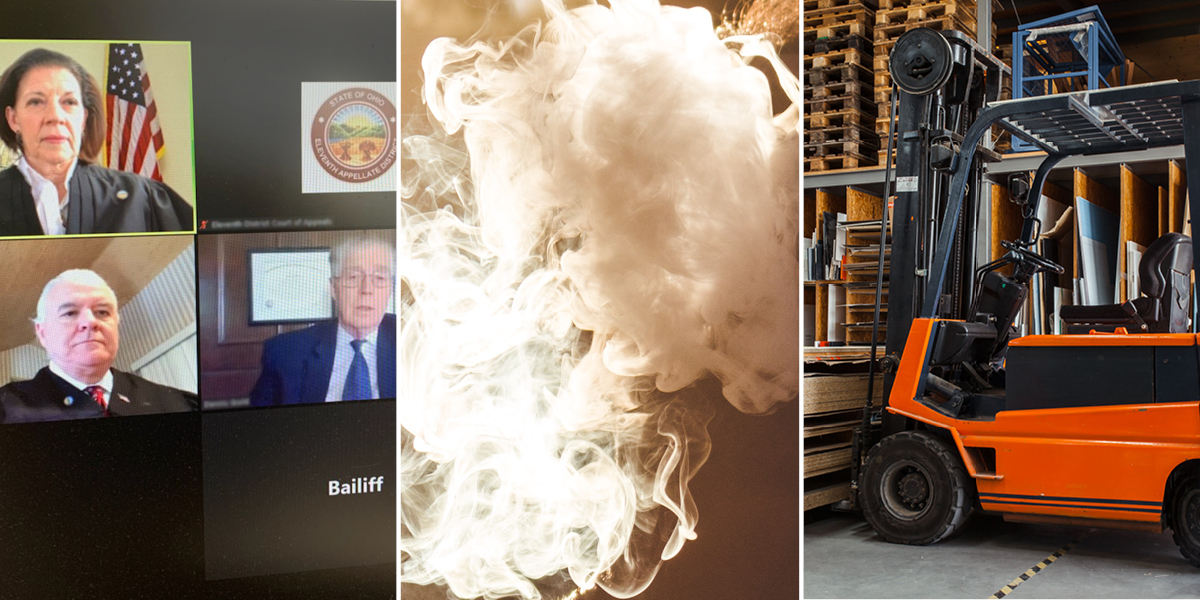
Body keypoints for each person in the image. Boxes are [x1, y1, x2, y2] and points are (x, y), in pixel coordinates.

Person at [0, 48, 192, 236]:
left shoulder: (139, 198)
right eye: (35, 101)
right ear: (13, 118)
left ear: (83, 118)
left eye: (69, 102)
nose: (55, 116)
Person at [0, 269, 198, 423]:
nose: (91, 321)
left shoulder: (180, 404)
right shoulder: (7, 407)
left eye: (102, 312)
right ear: (42, 333)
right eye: (70, 313)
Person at [249, 237, 396, 406]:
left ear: (390, 289)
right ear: (334, 289)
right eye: (353, 277)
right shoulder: (285, 352)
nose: (366, 290)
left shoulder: (412, 343)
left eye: (380, 278)